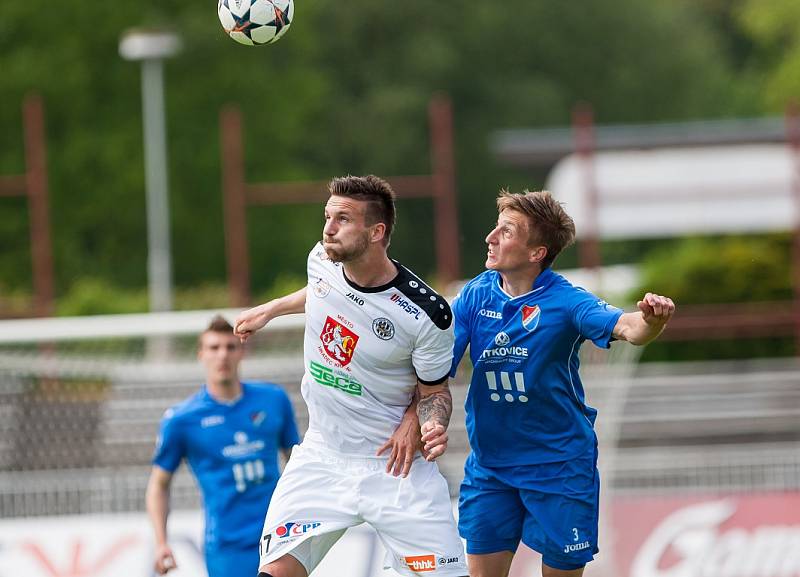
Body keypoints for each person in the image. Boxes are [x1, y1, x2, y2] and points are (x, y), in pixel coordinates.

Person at [234, 174, 468, 577]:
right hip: (322, 455)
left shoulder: (427, 314)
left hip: (396, 467)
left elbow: (434, 391)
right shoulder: (322, 258)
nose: (328, 228)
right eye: (327, 216)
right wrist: (270, 308)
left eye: (342, 219)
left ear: (377, 232)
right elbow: (320, 290)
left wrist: (427, 424)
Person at [451, 190, 675, 577]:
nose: (490, 237)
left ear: (537, 252)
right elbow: (433, 362)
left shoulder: (568, 301)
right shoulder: (475, 294)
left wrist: (652, 321)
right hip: (491, 466)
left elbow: (629, 328)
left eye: (506, 231)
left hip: (559, 467)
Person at [145, 315, 300, 577]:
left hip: (281, 536)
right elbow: (158, 485)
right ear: (201, 355)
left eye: (230, 347)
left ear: (243, 352)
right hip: (228, 546)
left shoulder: (274, 400)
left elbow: (298, 462)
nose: (222, 355)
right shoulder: (182, 419)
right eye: (214, 348)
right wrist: (161, 542)